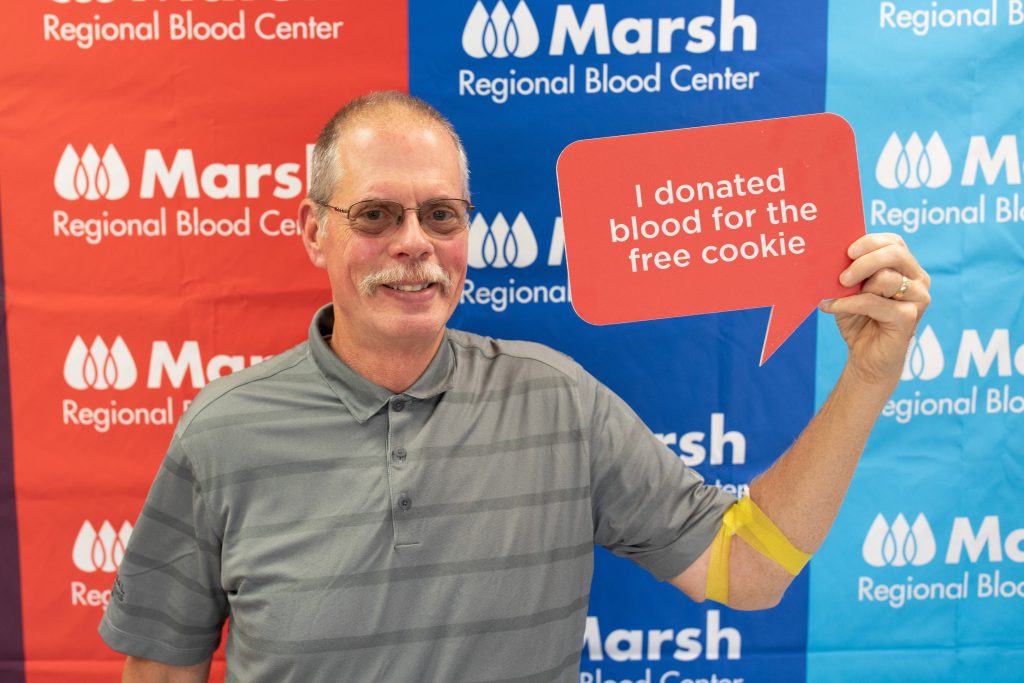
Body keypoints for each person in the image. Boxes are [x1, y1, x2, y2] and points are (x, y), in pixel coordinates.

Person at [100, 91, 930, 682]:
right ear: (313, 229)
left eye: (442, 215)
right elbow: (160, 667)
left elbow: (749, 569)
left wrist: (866, 377)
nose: (414, 245)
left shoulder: (559, 401)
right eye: (376, 216)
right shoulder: (222, 431)